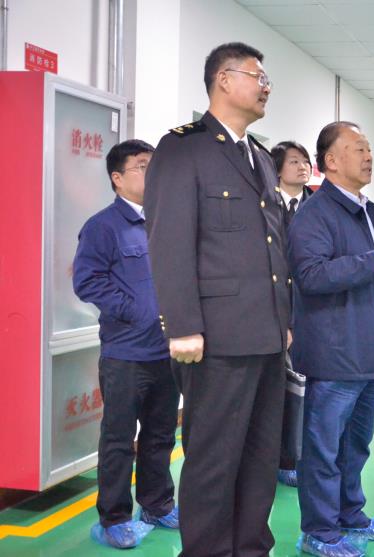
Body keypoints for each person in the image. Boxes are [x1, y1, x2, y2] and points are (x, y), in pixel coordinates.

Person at [144, 42, 291, 556]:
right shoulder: (183, 148)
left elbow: (273, 246)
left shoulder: (261, 158)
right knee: (213, 459)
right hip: (216, 337)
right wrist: (182, 325)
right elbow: (168, 240)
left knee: (259, 456)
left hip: (266, 336)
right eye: (258, 76)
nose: (266, 86)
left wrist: (283, 320)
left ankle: (250, 547)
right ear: (224, 80)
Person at [289, 121, 374, 557]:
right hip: (335, 352)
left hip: (369, 348)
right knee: (323, 448)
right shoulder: (315, 213)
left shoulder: (365, 209)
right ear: (331, 161)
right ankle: (319, 531)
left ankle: (349, 515)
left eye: (369, 148)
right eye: (358, 148)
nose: (369, 156)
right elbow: (311, 275)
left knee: (355, 444)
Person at [73, 139, 179, 549]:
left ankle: (156, 504)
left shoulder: (165, 221)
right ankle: (114, 518)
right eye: (142, 166)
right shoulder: (103, 226)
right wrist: (137, 311)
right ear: (117, 178)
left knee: (160, 434)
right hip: (126, 353)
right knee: (119, 439)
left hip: (167, 351)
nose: (152, 172)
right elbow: (87, 281)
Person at [271, 140, 314, 488]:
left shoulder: (318, 207)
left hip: (311, 311)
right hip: (271, 313)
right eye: (295, 162)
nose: (303, 167)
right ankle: (277, 458)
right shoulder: (263, 206)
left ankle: (296, 458)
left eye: (306, 162)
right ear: (278, 169)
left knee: (306, 390)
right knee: (275, 392)